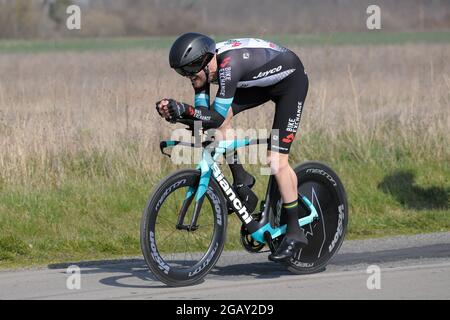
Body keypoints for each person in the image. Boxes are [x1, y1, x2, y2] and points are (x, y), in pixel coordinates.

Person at [156, 33, 309, 262]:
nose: (187, 76)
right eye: (181, 72)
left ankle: (296, 232)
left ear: (206, 62)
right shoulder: (204, 68)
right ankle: (242, 181)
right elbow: (203, 119)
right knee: (220, 120)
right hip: (261, 83)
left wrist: (184, 110)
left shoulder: (228, 65)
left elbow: (213, 117)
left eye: (189, 70)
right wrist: (176, 115)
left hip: (290, 82)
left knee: (275, 161)